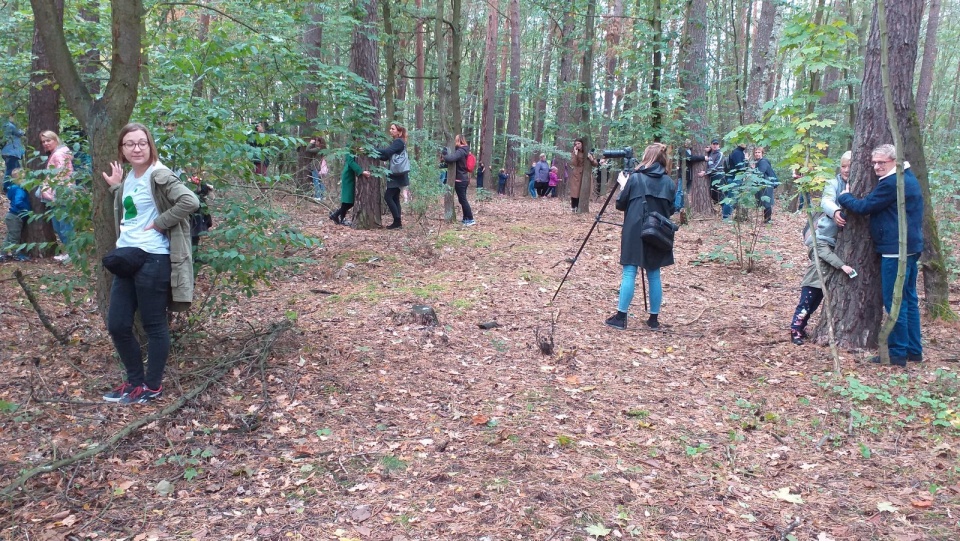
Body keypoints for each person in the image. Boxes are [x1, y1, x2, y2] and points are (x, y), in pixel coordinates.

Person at [100, 123, 199, 404]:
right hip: (128, 257)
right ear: (122, 149)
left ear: (150, 145)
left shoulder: (159, 173)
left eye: (142, 143)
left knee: (154, 325)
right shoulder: (131, 176)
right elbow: (133, 210)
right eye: (130, 144)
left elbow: (189, 201)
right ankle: (133, 383)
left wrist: (159, 224)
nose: (136, 148)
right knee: (118, 324)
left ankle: (151, 386)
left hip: (154, 258)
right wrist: (117, 188)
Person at [836, 144, 923, 366]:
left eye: (881, 162)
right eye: (874, 162)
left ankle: (897, 352)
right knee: (908, 299)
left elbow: (864, 206)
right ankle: (913, 349)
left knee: (895, 302)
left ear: (894, 161)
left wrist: (844, 197)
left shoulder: (893, 182)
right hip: (909, 247)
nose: (876, 167)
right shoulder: (906, 177)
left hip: (896, 250)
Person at [605, 143, 676, 331]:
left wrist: (623, 185)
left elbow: (620, 204)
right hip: (658, 231)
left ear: (647, 157)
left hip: (635, 229)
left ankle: (621, 317)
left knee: (630, 271)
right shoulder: (669, 182)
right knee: (654, 273)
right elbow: (671, 209)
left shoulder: (635, 179)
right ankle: (653, 319)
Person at [790, 211, 856, 345]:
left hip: (822, 283)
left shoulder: (832, 245)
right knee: (804, 307)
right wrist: (843, 266)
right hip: (812, 281)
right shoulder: (817, 243)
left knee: (812, 307)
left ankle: (801, 328)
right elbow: (827, 256)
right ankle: (795, 330)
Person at [40, 130, 75, 261]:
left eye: (48, 140)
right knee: (59, 224)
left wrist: (55, 190)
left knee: (64, 225)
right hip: (59, 194)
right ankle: (70, 252)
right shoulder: (58, 153)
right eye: (43, 141)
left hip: (61, 194)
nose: (45, 144)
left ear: (55, 140)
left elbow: (62, 173)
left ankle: (72, 254)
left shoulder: (59, 154)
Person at [373, 122, 410, 229]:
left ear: (399, 132)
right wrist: (374, 155)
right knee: (394, 197)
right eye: (390, 128)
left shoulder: (398, 141)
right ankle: (398, 222)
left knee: (388, 196)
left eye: (393, 129)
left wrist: (372, 150)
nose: (391, 130)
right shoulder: (397, 142)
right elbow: (386, 156)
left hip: (397, 174)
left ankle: (397, 222)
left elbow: (387, 151)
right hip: (397, 173)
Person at [442, 134, 476, 226]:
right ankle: (466, 218)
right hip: (463, 178)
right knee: (462, 200)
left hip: (460, 179)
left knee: (463, 200)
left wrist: (444, 155)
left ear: (458, 141)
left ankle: (470, 219)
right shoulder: (463, 150)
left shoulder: (461, 151)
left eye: (455, 140)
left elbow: (451, 158)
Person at [329, 151, 370, 225]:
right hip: (348, 175)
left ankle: (336, 215)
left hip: (350, 174)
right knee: (348, 200)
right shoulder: (350, 145)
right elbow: (350, 161)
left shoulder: (354, 145)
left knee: (350, 200)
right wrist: (361, 171)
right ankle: (341, 219)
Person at [2, 169, 30, 262]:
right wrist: (26, 210)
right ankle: (16, 254)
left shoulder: (13, 188)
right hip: (15, 216)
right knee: (14, 237)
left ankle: (2, 254)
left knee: (10, 237)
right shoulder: (19, 189)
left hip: (12, 216)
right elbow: (18, 202)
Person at [822, 151, 851, 228]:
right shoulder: (832, 182)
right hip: (830, 229)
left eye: (850, 166)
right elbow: (826, 200)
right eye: (843, 166)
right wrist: (835, 211)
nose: (846, 170)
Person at [569, 138, 598, 211]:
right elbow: (574, 163)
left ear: (582, 144)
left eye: (579, 143)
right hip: (577, 174)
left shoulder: (588, 151)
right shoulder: (575, 152)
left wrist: (591, 159)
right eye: (576, 144)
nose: (577, 145)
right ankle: (574, 207)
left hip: (586, 174)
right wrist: (575, 154)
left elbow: (595, 164)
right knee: (575, 191)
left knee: (584, 190)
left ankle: (580, 207)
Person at [721, 142, 747, 221]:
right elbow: (739, 167)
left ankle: (726, 214)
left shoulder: (738, 152)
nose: (744, 144)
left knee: (732, 197)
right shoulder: (737, 153)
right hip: (734, 178)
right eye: (742, 142)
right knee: (731, 198)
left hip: (733, 177)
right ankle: (725, 216)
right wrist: (746, 160)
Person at [752, 146, 779, 223]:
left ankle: (768, 220)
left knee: (767, 203)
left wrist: (753, 169)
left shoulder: (763, 161)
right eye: (756, 152)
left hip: (767, 184)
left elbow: (760, 172)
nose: (757, 154)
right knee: (764, 202)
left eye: (759, 152)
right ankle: (766, 219)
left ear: (762, 153)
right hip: (763, 184)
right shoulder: (757, 162)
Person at [188, 174, 214, 248]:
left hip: (198, 214)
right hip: (191, 213)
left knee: (195, 236)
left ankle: (195, 255)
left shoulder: (202, 183)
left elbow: (211, 197)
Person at [698, 139, 724, 204]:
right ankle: (717, 208)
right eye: (713, 144)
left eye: (716, 144)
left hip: (718, 176)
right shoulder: (710, 153)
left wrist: (705, 172)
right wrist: (709, 148)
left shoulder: (720, 154)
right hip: (711, 176)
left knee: (719, 193)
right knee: (712, 193)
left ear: (719, 145)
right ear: (711, 145)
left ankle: (724, 210)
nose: (715, 145)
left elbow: (715, 166)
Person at [305, 137, 328, 201]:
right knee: (320, 181)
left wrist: (310, 143)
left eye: (317, 141)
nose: (316, 143)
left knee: (316, 181)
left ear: (320, 143)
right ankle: (323, 196)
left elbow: (308, 150)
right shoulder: (324, 149)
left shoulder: (318, 149)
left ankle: (318, 196)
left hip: (316, 166)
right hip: (321, 167)